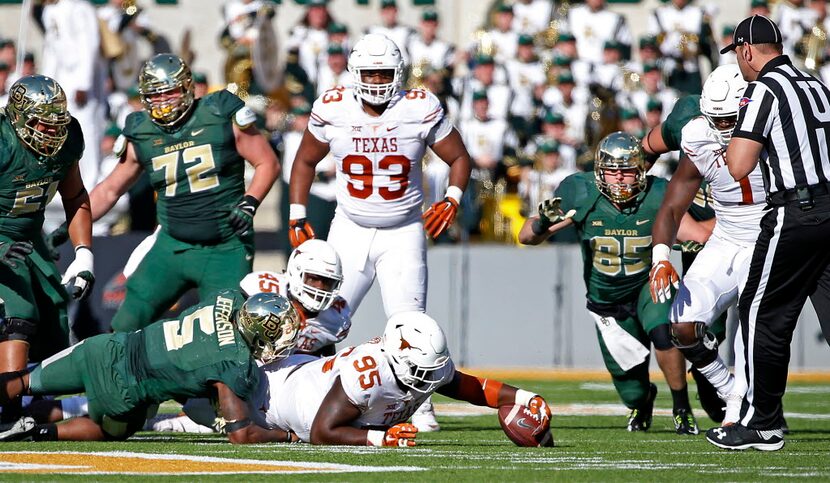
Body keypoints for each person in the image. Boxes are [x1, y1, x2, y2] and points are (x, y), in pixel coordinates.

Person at [288, 34, 472, 432]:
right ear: (354, 74)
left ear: (398, 73)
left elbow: (459, 157)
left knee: (410, 324)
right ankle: (298, 392)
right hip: (349, 227)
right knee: (320, 319)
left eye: (383, 73)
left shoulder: (418, 107)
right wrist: (296, 213)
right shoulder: (333, 107)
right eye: (369, 73)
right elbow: (304, 160)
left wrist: (452, 198)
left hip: (402, 231)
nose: (375, 81)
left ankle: (417, 405)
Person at [519, 132, 709, 435]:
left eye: (628, 171)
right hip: (606, 300)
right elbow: (526, 237)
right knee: (631, 391)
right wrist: (542, 222)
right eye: (612, 170)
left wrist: (698, 245)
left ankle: (681, 407)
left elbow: (695, 232)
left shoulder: (658, 192)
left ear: (641, 170)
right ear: (600, 170)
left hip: (648, 284)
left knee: (664, 332)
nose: (620, 178)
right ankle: (644, 400)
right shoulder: (580, 192)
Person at [707, 14, 830, 451]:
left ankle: (762, 423)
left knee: (761, 314)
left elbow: (739, 164)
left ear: (745, 50)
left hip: (797, 211)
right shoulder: (815, 83)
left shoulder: (764, 89)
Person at [88, 53, 279, 333]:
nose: (163, 103)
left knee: (224, 335)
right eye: (155, 96)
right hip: (172, 243)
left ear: (187, 88)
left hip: (224, 245)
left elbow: (267, 163)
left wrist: (250, 202)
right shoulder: (141, 131)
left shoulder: (218, 113)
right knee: (125, 324)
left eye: (169, 93)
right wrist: (73, 221)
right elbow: (109, 190)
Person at [158, 312, 553, 447]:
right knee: (186, 397)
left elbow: (473, 388)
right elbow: (322, 430)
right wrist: (379, 438)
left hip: (304, 375)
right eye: (422, 372)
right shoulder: (370, 373)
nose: (428, 381)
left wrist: (522, 398)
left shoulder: (420, 365)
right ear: (398, 357)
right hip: (268, 395)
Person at [0, 291, 301, 443]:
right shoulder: (235, 365)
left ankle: (25, 418)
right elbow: (241, 433)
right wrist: (287, 436)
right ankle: (41, 433)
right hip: (124, 393)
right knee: (109, 431)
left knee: (22, 381)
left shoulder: (227, 297)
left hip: (105, 348)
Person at [649, 64, 766, 426]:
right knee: (681, 323)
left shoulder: (774, 127)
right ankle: (729, 388)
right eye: (715, 118)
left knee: (750, 329)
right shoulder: (699, 134)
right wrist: (660, 257)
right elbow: (671, 204)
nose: (721, 128)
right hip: (726, 237)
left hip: (770, 234)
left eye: (729, 119)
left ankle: (738, 415)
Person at [0, 75, 94, 423]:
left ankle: (31, 403)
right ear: (19, 117)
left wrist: (84, 254)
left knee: (54, 320)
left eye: (57, 123)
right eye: (42, 123)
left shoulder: (68, 139)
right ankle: (8, 411)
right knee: (18, 313)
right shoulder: (4, 142)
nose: (51, 132)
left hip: (27, 237)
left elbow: (74, 196)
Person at [239, 239, 350, 356]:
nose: (320, 287)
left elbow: (324, 357)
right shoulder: (262, 289)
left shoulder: (336, 318)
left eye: (328, 282)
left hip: (294, 370)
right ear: (295, 272)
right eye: (314, 278)